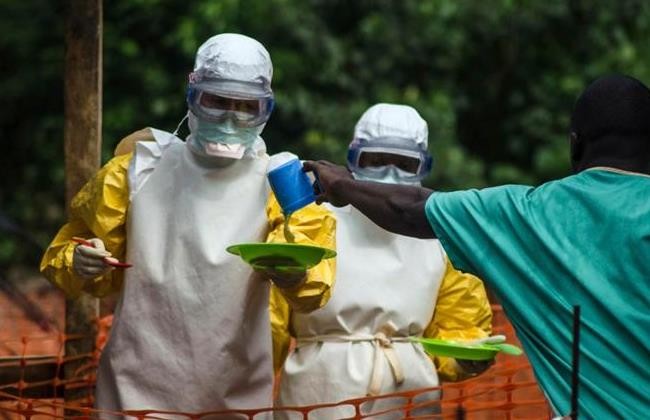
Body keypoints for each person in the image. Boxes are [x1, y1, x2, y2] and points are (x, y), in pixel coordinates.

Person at [303, 75, 650, 419]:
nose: (392, 172)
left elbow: (407, 209)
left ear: (574, 144)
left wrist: (341, 185)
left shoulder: (526, 215)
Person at [40, 33, 336, 416]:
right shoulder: (137, 170)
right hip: (135, 388)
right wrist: (78, 259)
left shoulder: (280, 182)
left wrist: (296, 275)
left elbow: (314, 291)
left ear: (266, 109)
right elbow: (69, 260)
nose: (230, 118)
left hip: (234, 392)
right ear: (193, 95)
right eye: (216, 102)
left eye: (246, 107)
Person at [271, 104, 493, 418]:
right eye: (375, 160)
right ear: (352, 159)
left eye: (404, 163)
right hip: (320, 393)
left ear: (423, 166)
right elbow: (271, 321)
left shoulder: (440, 238)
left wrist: (466, 357)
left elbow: (460, 323)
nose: (389, 173)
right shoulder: (316, 219)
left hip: (409, 395)